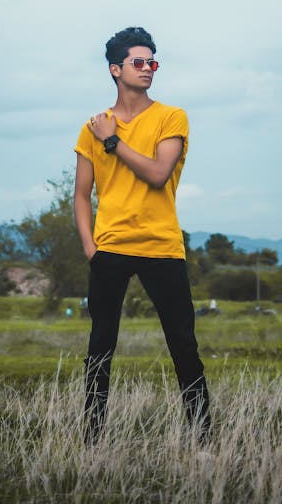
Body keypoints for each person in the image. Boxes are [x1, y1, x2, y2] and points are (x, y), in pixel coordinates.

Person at [73, 26, 210, 444]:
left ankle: (203, 440)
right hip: (110, 249)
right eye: (139, 61)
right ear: (116, 69)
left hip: (161, 248)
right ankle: (92, 441)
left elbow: (157, 173)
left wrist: (113, 141)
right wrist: (91, 250)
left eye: (153, 62)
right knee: (100, 349)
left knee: (184, 346)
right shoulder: (92, 128)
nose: (149, 68)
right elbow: (81, 196)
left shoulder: (171, 117)